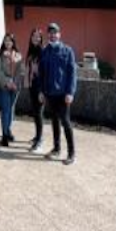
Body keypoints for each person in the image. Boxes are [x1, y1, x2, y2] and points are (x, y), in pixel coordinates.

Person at [38, 23, 77, 165]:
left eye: (55, 32)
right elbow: (41, 74)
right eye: (50, 33)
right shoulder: (45, 51)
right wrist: (41, 91)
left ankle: (72, 153)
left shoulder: (67, 50)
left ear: (59, 34)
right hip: (50, 93)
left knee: (66, 122)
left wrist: (70, 92)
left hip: (63, 94)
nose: (52, 35)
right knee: (54, 121)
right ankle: (56, 148)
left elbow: (72, 74)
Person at [0, 33, 24, 147]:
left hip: (15, 87)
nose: (8, 43)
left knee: (11, 111)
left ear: (13, 42)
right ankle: (4, 135)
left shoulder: (18, 55)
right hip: (5, 87)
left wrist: (15, 83)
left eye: (10, 41)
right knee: (5, 110)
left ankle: (8, 129)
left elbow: (21, 71)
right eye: (6, 41)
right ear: (3, 42)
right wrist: (8, 82)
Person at [26, 28, 45, 153]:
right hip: (32, 85)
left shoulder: (43, 52)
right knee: (35, 113)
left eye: (38, 36)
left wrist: (42, 90)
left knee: (39, 114)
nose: (36, 38)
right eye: (34, 36)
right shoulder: (31, 51)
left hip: (40, 87)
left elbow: (45, 73)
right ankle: (37, 136)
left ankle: (40, 140)